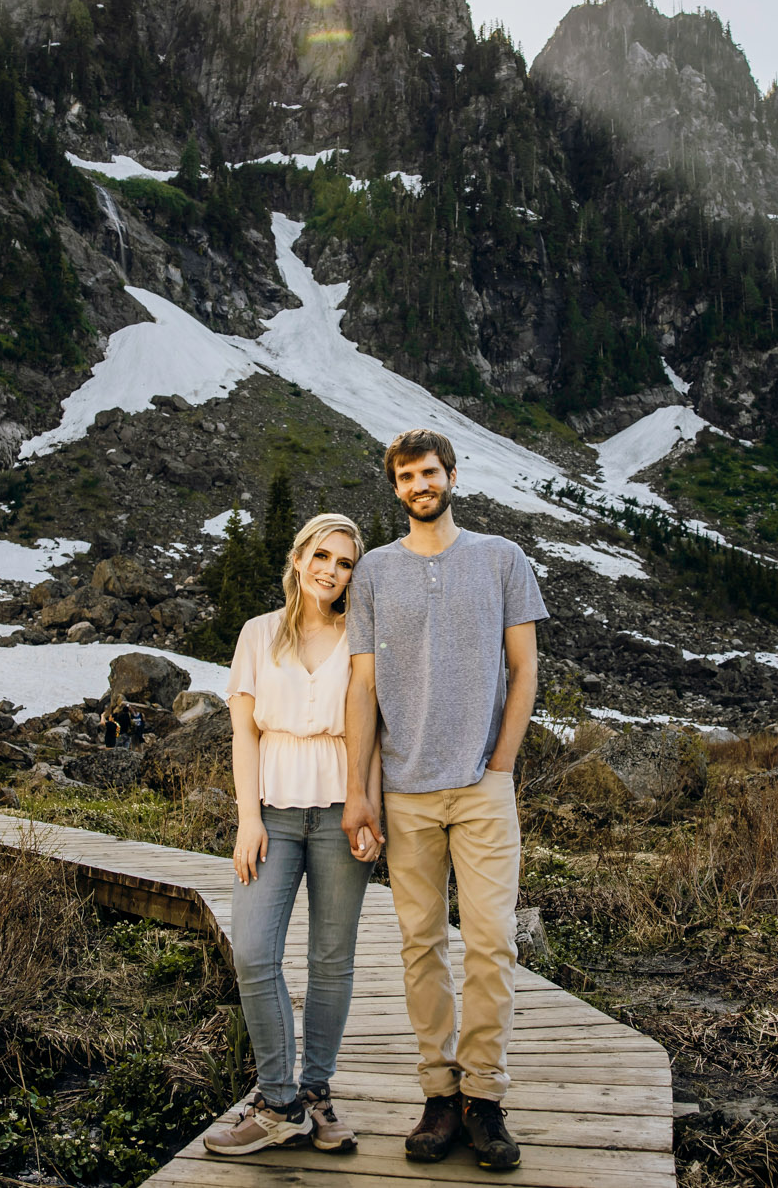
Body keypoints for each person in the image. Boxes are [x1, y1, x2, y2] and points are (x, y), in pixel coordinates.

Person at [342, 430, 546, 1172]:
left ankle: (484, 1098)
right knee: (420, 945)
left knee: (492, 942)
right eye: (406, 476)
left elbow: (523, 670)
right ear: (396, 488)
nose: (420, 483)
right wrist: (361, 791)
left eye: (430, 471)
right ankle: (438, 1092)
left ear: (452, 476)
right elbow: (362, 687)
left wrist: (501, 761)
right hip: (404, 790)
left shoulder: (502, 559)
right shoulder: (373, 571)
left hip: (482, 787)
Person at [203, 513, 381, 1157]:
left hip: (342, 809)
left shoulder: (362, 636)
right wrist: (247, 819)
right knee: (253, 951)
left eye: (345, 563)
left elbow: (375, 736)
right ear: (299, 555)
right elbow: (243, 733)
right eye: (322, 556)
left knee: (331, 961)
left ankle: (316, 1095)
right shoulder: (258, 634)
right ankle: (277, 1100)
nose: (330, 571)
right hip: (273, 814)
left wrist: (372, 813)